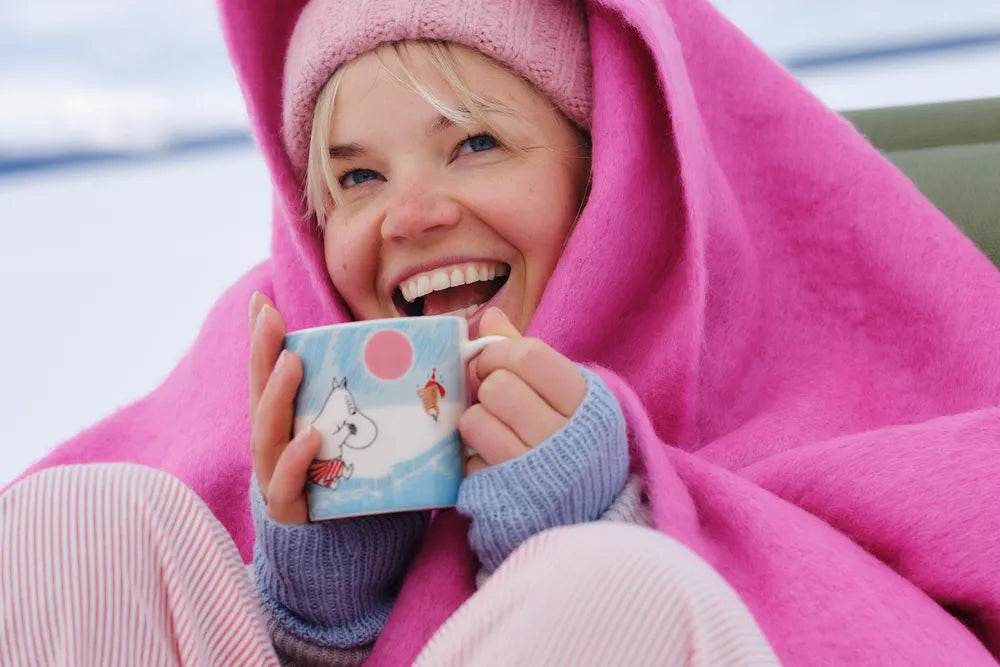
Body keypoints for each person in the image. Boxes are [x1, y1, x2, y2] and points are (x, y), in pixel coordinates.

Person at [3, 0, 1000, 664]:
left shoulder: (799, 348)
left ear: (608, 171)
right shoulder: (264, 352)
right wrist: (317, 611)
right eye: (357, 177)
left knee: (608, 584)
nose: (410, 215)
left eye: (475, 144)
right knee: (79, 519)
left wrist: (605, 513)